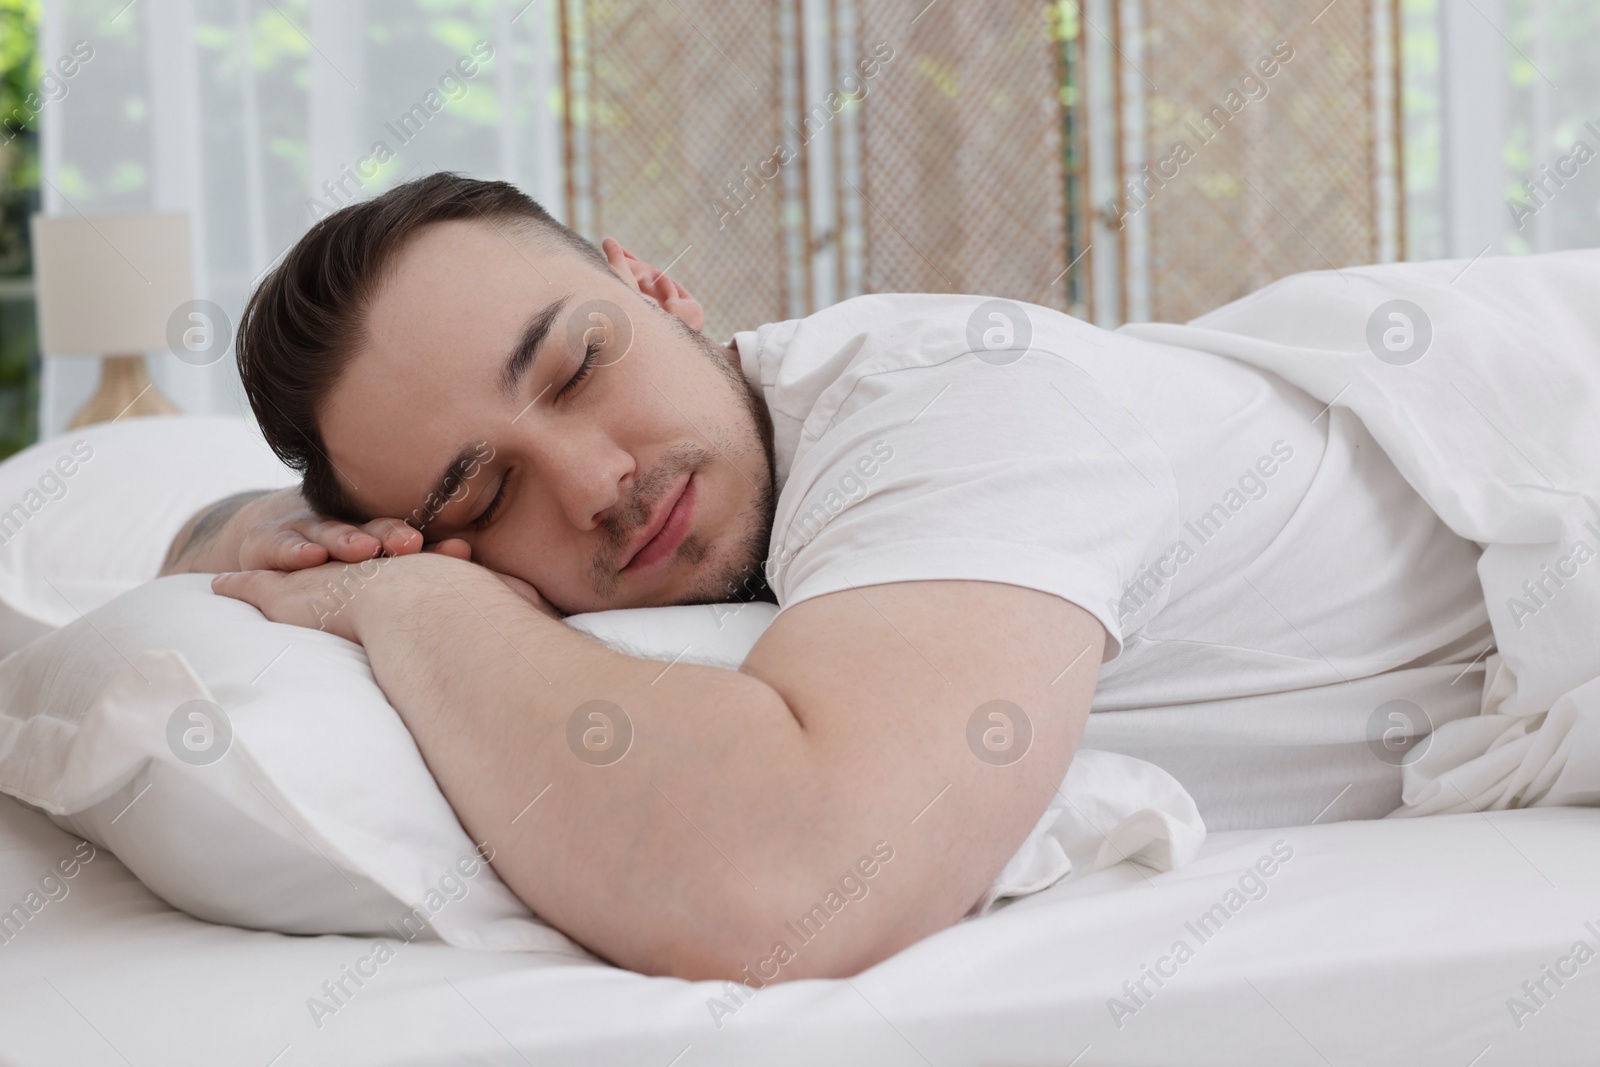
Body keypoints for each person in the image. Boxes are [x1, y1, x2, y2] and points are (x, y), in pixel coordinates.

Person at [162, 172, 1491, 982]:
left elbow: (795, 886)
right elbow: (200, 545)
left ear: (661, 287)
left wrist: (408, 598)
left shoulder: (953, 407)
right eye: (482, 492)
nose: (593, 483)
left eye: (577, 366)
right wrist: (244, 536)